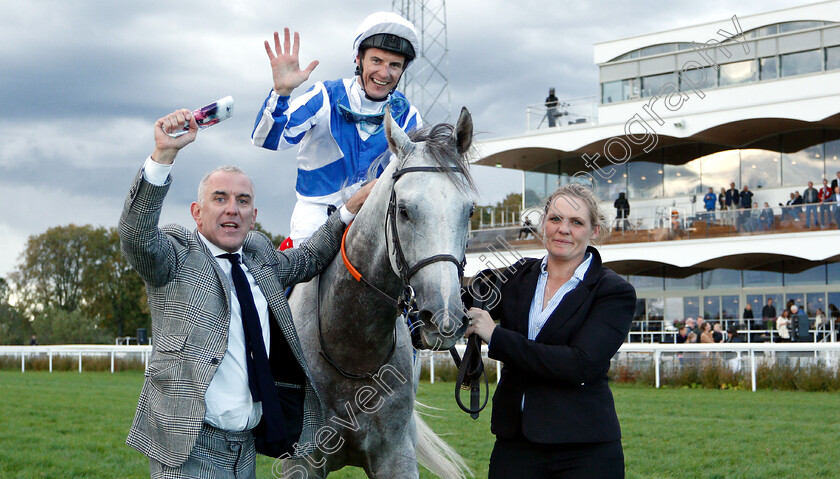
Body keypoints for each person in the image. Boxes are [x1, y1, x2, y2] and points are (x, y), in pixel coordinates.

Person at [120, 108, 373, 478]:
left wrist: (349, 210)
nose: (232, 210)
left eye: (242, 201)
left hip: (246, 448)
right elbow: (136, 236)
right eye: (219, 199)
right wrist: (163, 158)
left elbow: (309, 258)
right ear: (197, 212)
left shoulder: (259, 256)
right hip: (189, 448)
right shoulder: (176, 255)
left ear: (253, 216)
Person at [464, 183, 636, 478]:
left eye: (576, 222)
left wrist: (496, 336)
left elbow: (578, 364)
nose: (563, 229)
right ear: (543, 223)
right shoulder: (516, 274)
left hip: (585, 451)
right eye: (555, 219)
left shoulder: (614, 291)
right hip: (515, 446)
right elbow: (460, 303)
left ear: (594, 230)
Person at [252, 12, 422, 246]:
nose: (384, 73)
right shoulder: (324, 96)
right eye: (376, 61)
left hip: (377, 216)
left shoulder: (409, 117)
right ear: (358, 59)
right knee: (304, 269)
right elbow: (266, 139)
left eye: (394, 65)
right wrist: (281, 94)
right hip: (318, 215)